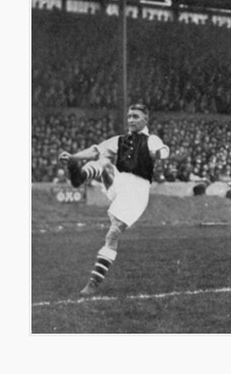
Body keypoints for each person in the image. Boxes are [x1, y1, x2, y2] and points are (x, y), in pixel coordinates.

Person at [58, 104, 170, 296]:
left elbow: (164, 150)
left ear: (145, 120)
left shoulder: (151, 139)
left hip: (136, 191)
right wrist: (73, 157)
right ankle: (79, 176)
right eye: (129, 116)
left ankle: (93, 283)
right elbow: (95, 150)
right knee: (105, 161)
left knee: (113, 234)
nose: (131, 120)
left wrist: (158, 154)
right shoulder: (119, 140)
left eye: (135, 116)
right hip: (120, 184)